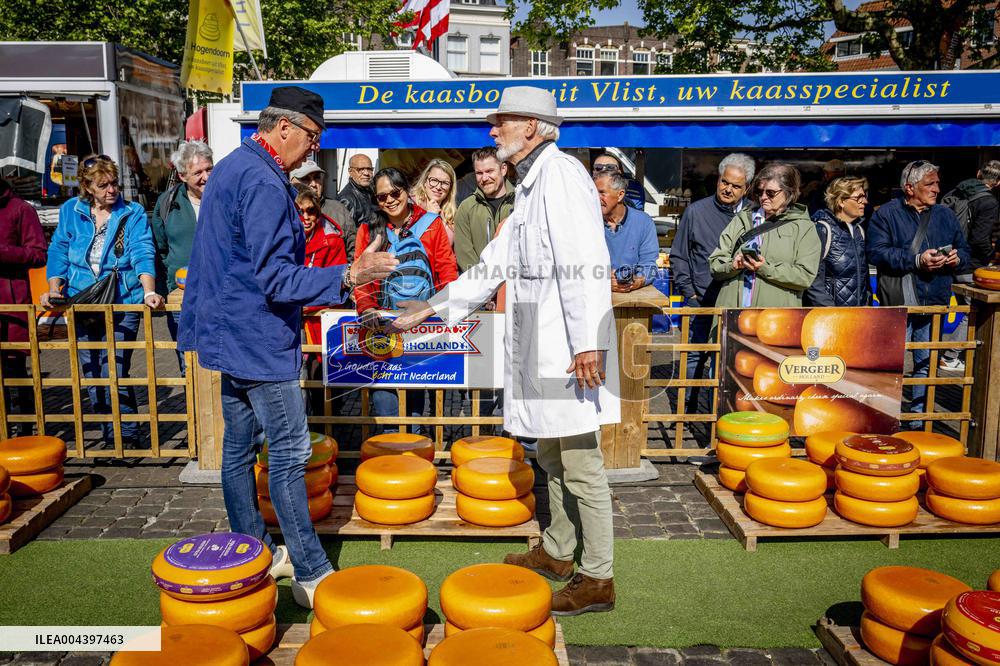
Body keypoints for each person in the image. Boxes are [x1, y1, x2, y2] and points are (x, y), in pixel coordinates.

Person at [390, 86, 620, 616]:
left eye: (503, 121)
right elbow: (492, 265)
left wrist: (588, 342)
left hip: (568, 347)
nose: (493, 130)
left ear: (532, 127)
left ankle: (598, 577)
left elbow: (586, 260)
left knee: (581, 462)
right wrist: (430, 308)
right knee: (551, 455)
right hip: (544, 343)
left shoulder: (561, 176)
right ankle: (559, 551)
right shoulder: (531, 187)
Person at [177, 86, 398, 608]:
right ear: (284, 128)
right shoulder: (262, 180)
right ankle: (311, 571)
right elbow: (276, 278)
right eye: (313, 137)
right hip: (260, 340)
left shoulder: (232, 166)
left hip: (229, 333)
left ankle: (253, 550)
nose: (314, 149)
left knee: (238, 449)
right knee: (290, 452)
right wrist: (349, 274)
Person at [41, 155, 164, 447]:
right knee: (92, 372)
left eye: (114, 183)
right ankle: (109, 433)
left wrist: (149, 291)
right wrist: (55, 287)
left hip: (122, 301)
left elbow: (142, 251)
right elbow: (59, 249)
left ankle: (126, 436)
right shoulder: (71, 210)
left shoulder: (131, 212)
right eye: (103, 185)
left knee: (115, 370)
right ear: (87, 187)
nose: (111, 190)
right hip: (83, 301)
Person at [867, 160, 971, 427]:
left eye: (937, 183)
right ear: (910, 188)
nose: (937, 189)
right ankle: (889, 421)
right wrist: (916, 260)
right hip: (900, 301)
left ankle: (918, 423)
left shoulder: (945, 215)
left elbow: (965, 250)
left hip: (934, 300)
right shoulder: (886, 214)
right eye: (930, 184)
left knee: (926, 363)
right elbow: (876, 252)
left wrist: (957, 258)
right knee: (894, 364)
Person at [354, 167, 458, 430]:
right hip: (383, 326)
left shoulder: (432, 224)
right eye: (382, 197)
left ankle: (415, 450)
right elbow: (361, 277)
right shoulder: (369, 229)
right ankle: (391, 450)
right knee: (385, 403)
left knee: (414, 404)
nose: (389, 200)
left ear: (407, 191)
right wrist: (366, 308)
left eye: (395, 193)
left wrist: (435, 310)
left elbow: (447, 272)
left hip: (422, 324)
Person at [670, 153, 754, 412]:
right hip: (702, 300)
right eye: (724, 182)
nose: (728, 189)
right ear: (718, 179)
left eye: (736, 186)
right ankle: (687, 414)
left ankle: (720, 416)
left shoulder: (754, 215)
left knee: (732, 360)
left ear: (746, 188)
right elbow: (679, 255)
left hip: (738, 304)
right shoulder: (696, 212)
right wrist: (690, 293)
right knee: (694, 356)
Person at [709, 163, 821, 308]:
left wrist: (764, 268)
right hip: (731, 312)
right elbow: (715, 264)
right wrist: (733, 265)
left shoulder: (804, 227)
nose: (763, 197)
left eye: (770, 193)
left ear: (789, 192)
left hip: (775, 317)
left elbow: (805, 277)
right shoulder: (742, 218)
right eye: (759, 191)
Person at [152, 140, 214, 374]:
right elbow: (160, 249)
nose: (206, 177)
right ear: (182, 175)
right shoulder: (167, 203)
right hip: (182, 298)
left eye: (209, 169)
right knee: (187, 363)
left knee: (221, 363)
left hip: (220, 296)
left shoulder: (226, 198)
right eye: (198, 173)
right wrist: (168, 286)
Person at [938, 160, 1000, 371]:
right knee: (973, 311)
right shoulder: (988, 202)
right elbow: (980, 239)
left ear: (978, 173)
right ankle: (950, 356)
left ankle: (935, 352)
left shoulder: (957, 191)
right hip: (970, 264)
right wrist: (991, 257)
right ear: (998, 182)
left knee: (953, 309)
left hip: (948, 258)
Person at [295, 186, 348, 418]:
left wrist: (306, 304)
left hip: (318, 322)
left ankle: (326, 429)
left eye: (311, 211)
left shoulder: (332, 240)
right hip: (290, 322)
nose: (306, 217)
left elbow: (337, 285)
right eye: (300, 211)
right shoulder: (282, 239)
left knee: (322, 383)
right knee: (295, 384)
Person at [0, 177, 46, 436]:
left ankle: (25, 432)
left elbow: (39, 254)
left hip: (11, 305)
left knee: (14, 371)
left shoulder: (20, 209)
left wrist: (4, 252)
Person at [803, 176, 872, 307]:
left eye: (864, 196)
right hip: (831, 314)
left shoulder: (859, 231)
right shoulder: (823, 230)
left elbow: (863, 276)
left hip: (859, 313)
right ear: (841, 201)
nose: (865, 201)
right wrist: (830, 309)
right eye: (859, 197)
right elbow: (812, 279)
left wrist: (866, 302)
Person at [453, 146, 515, 273]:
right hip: (480, 281)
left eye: (489, 171)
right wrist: (486, 281)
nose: (485, 178)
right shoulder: (466, 208)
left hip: (516, 280)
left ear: (503, 169)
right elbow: (464, 255)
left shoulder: (520, 202)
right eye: (479, 173)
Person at [594, 171, 658, 293]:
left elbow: (649, 264)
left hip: (633, 297)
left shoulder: (644, 222)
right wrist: (603, 281)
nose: (596, 198)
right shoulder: (588, 222)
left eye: (602, 192)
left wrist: (637, 281)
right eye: (593, 192)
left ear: (620, 195)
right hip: (595, 294)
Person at [290, 160, 357, 259]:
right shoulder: (285, 209)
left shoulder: (338, 209)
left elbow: (353, 248)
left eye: (317, 177)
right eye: (305, 179)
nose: (313, 184)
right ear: (292, 182)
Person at [412, 158, 458, 245]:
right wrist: (430, 217)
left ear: (450, 188)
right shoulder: (410, 206)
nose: (438, 187)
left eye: (445, 183)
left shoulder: (451, 216)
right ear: (425, 181)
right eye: (434, 180)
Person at [336, 154, 378, 244]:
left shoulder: (369, 190)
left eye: (369, 169)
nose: (366, 173)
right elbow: (348, 236)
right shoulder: (346, 199)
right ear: (351, 172)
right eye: (361, 169)